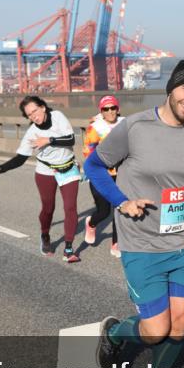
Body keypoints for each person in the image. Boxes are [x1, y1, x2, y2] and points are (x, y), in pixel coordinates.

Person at [85, 60, 184, 368]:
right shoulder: (134, 127)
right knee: (155, 330)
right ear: (171, 87)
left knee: (179, 326)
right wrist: (121, 201)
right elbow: (94, 166)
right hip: (142, 245)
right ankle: (116, 333)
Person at [0, 96, 82, 262]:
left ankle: (68, 248)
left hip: (68, 168)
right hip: (46, 172)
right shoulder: (32, 133)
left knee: (70, 208)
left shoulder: (58, 117)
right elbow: (20, 159)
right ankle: (45, 235)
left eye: (35, 111)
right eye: (29, 115)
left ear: (43, 107)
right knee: (48, 208)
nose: (33, 116)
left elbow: (71, 139)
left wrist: (49, 140)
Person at [82, 94, 124, 257]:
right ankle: (91, 223)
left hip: (121, 175)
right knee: (104, 211)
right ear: (102, 111)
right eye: (106, 109)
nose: (110, 112)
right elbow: (88, 150)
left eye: (113, 108)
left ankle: (116, 243)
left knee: (119, 211)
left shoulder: (125, 123)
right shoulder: (95, 128)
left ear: (117, 109)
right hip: (101, 175)